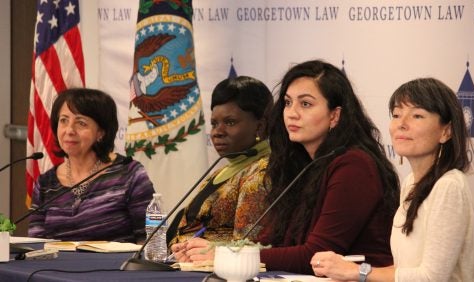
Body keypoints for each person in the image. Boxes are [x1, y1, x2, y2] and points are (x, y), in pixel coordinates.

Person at [174, 60, 400, 274]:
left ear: (334, 115)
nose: (292, 113)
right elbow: (279, 243)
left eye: (306, 104)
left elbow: (315, 256)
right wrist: (212, 250)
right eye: (288, 102)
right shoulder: (304, 166)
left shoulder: (354, 166)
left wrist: (225, 255)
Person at [311, 78, 474, 281]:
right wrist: (346, 268)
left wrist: (357, 272)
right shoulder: (410, 183)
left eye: (417, 115)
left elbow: (432, 278)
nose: (401, 124)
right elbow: (403, 269)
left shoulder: (449, 186)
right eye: (397, 115)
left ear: (446, 131)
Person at [28, 88, 155, 243]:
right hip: (55, 267)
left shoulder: (129, 174)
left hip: (114, 267)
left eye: (81, 123)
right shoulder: (46, 184)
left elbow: (150, 240)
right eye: (64, 120)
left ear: (101, 132)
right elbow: (36, 245)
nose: (69, 130)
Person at [168, 76, 273, 256]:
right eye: (214, 123)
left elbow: (246, 246)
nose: (218, 132)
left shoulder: (262, 171)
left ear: (260, 126)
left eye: (230, 122)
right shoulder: (224, 169)